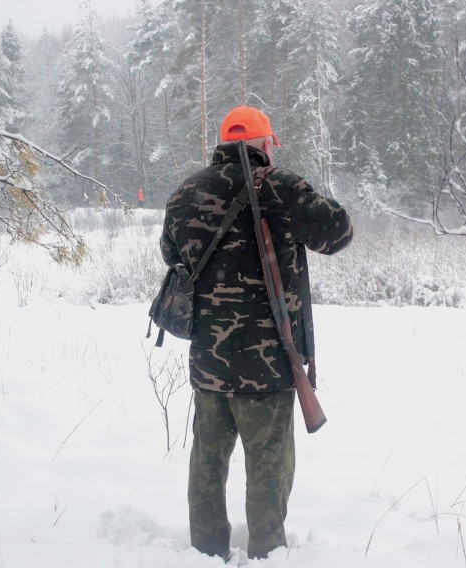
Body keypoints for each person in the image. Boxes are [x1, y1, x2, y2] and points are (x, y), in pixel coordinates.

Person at [160, 106, 353, 560]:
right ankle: (268, 553)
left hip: (208, 361)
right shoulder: (281, 187)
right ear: (265, 145)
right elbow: (339, 232)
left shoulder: (185, 192)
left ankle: (205, 551)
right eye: (272, 146)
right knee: (268, 466)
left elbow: (172, 254)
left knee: (207, 460)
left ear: (223, 145)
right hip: (268, 365)